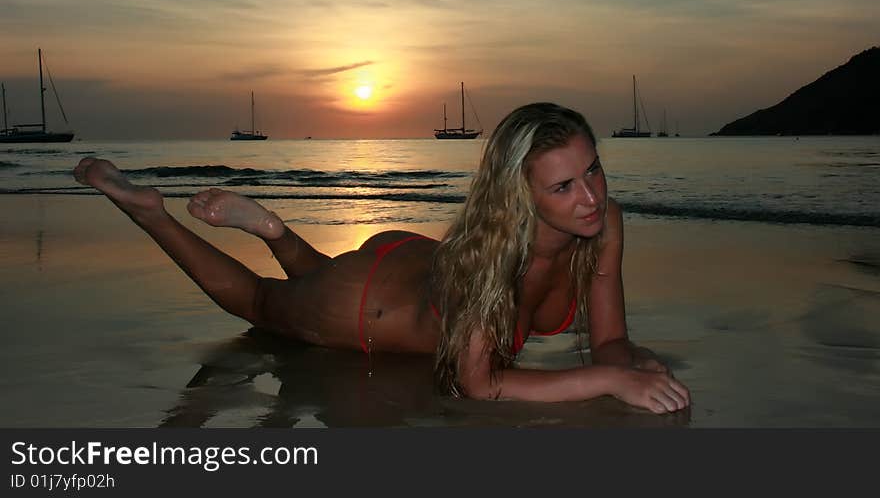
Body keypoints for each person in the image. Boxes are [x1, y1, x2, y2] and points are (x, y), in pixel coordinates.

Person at [73, 102, 690, 413]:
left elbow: (610, 340)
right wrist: (611, 381)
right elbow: (480, 384)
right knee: (259, 303)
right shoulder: (494, 264)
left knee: (314, 279)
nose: (591, 197)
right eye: (563, 187)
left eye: (594, 171)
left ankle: (273, 229)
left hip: (415, 263)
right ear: (519, 197)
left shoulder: (604, 223)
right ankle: (150, 212)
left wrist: (629, 365)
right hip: (365, 303)